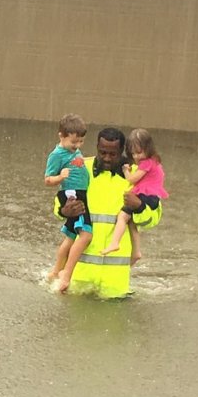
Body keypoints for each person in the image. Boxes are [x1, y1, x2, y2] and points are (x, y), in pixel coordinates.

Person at [54, 127, 162, 298]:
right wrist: (64, 210)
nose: (107, 158)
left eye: (113, 154)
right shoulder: (81, 167)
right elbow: (59, 203)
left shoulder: (137, 175)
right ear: (97, 147)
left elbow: (153, 218)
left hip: (115, 283)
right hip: (79, 277)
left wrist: (139, 206)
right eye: (102, 152)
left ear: (123, 151)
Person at [101, 128, 168, 263]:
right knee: (131, 221)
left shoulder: (147, 163)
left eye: (139, 152)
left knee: (122, 216)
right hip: (152, 195)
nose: (136, 157)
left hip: (147, 196)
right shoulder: (154, 161)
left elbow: (131, 180)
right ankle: (136, 251)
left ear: (148, 148)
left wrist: (126, 170)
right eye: (133, 153)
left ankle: (115, 242)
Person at [44, 113, 92, 283]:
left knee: (71, 236)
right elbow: (47, 179)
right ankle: (66, 273)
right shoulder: (56, 155)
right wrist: (60, 177)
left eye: (81, 142)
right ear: (61, 136)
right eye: (73, 142)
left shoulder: (75, 151)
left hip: (81, 193)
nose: (77, 145)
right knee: (86, 235)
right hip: (72, 195)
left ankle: (56, 271)